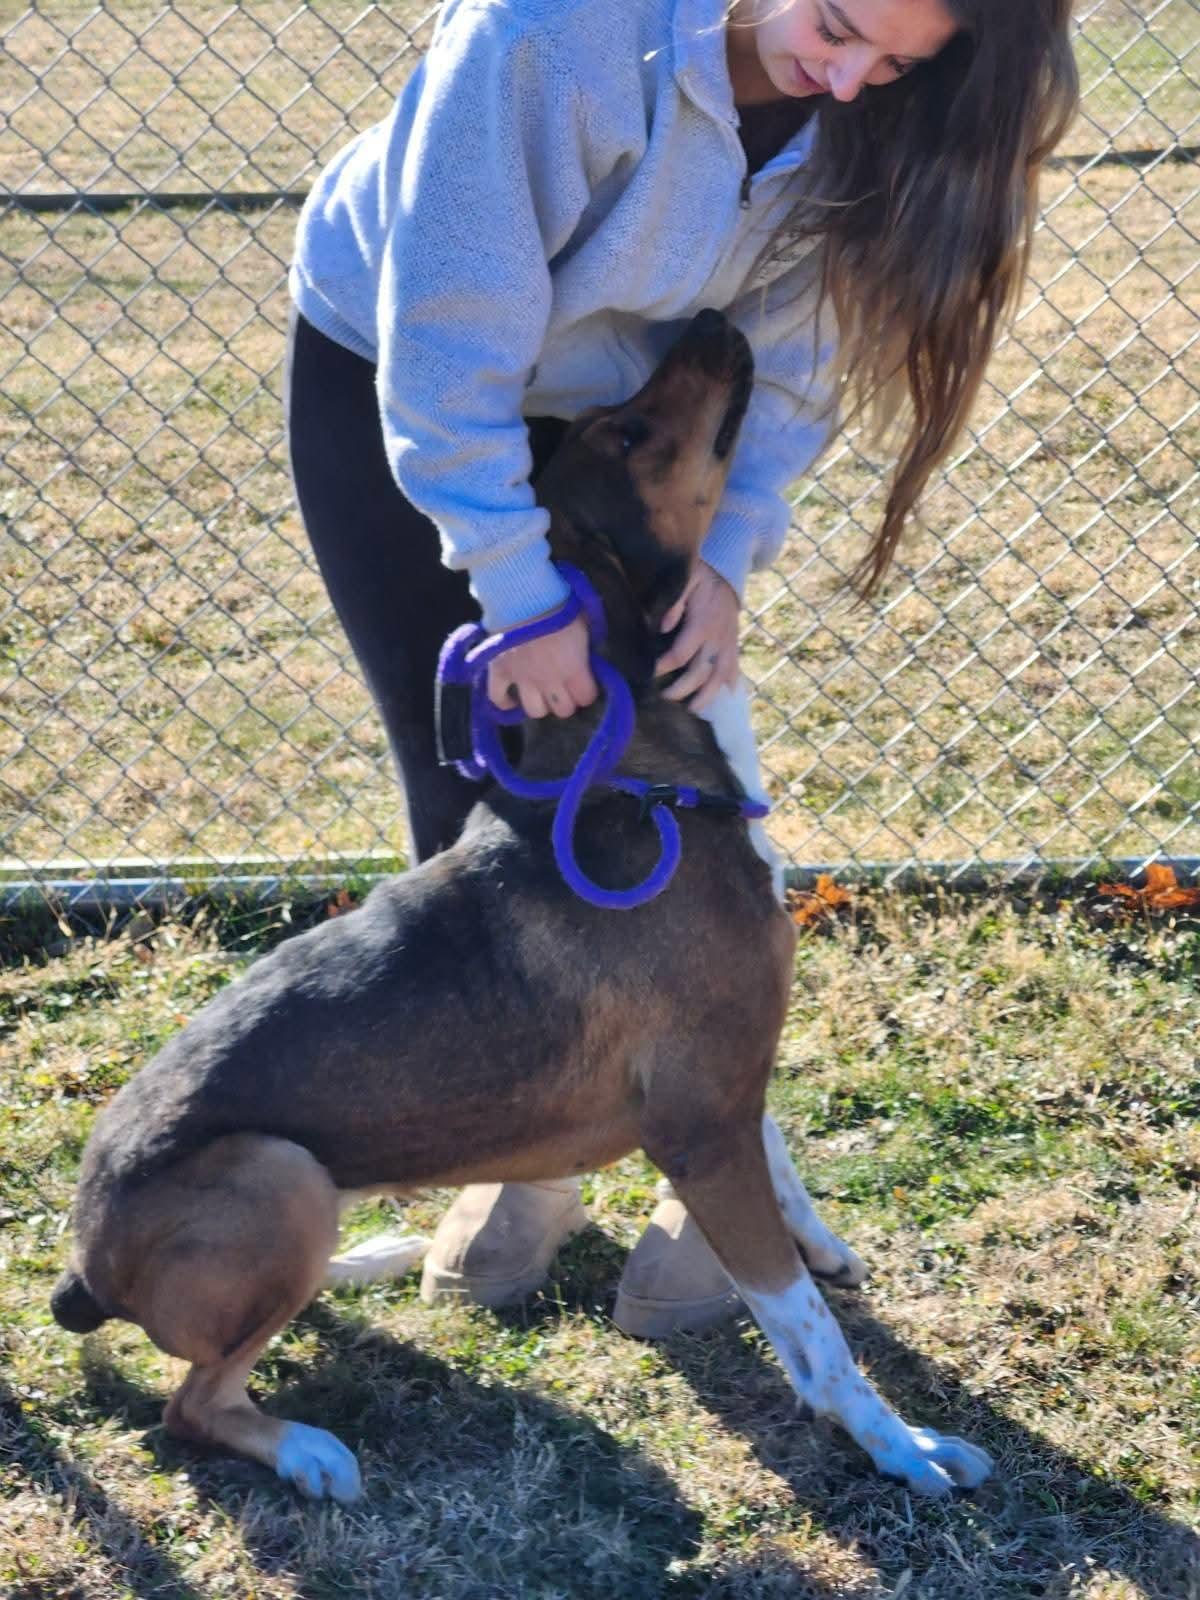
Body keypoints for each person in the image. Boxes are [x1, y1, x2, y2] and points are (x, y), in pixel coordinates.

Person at [285, 0, 1078, 1335]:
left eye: (888, 64)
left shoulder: (870, 98)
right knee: (482, 811)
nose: (842, 81)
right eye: (834, 27)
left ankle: (704, 1162)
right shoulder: (547, 34)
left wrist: (726, 557)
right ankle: (533, 1163)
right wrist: (515, 585)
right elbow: (450, 335)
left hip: (637, 404)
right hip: (408, 371)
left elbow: (807, 351)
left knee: (686, 819)